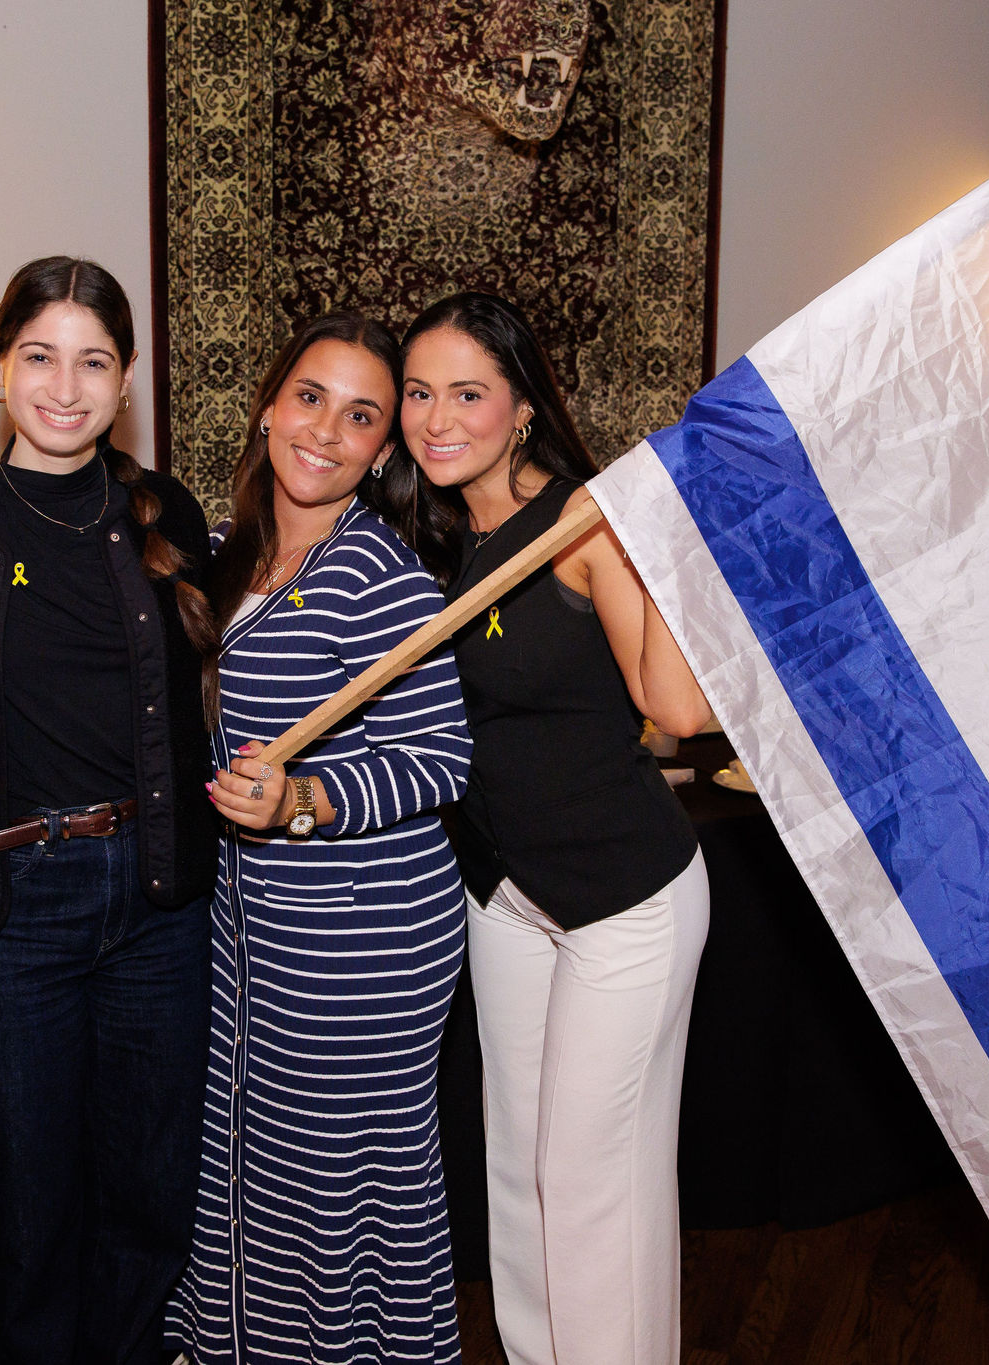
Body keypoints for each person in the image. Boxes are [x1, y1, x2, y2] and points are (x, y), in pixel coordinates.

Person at [0, 257, 216, 1364]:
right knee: (24, 1210)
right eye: (39, 356)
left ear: (125, 380)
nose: (65, 388)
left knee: (150, 1195)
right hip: (10, 908)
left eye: (93, 362)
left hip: (159, 902)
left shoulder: (167, 512)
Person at [397, 291, 715, 1365]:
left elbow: (678, 711)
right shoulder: (432, 534)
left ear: (522, 406)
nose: (438, 419)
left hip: (625, 899)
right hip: (504, 892)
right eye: (419, 393)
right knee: (521, 1169)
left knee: (590, 1181)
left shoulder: (585, 522)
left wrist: (660, 539)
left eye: (467, 394)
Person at [164, 313, 471, 1363]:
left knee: (339, 1182)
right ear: (267, 406)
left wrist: (303, 799)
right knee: (252, 1156)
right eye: (309, 397)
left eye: (360, 416)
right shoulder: (226, 549)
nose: (325, 432)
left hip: (365, 935)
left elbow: (439, 759)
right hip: (255, 925)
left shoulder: (379, 575)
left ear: (382, 451)